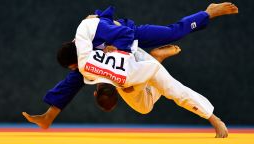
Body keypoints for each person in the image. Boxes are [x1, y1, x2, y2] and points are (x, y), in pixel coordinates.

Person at [22, 2, 238, 138]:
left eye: (73, 66)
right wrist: (48, 116)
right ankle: (156, 59)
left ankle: (207, 13)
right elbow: (68, 86)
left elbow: (121, 33)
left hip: (131, 37)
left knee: (172, 35)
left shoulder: (86, 45)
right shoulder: (87, 62)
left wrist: (106, 29)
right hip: (132, 65)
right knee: (144, 106)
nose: (75, 70)